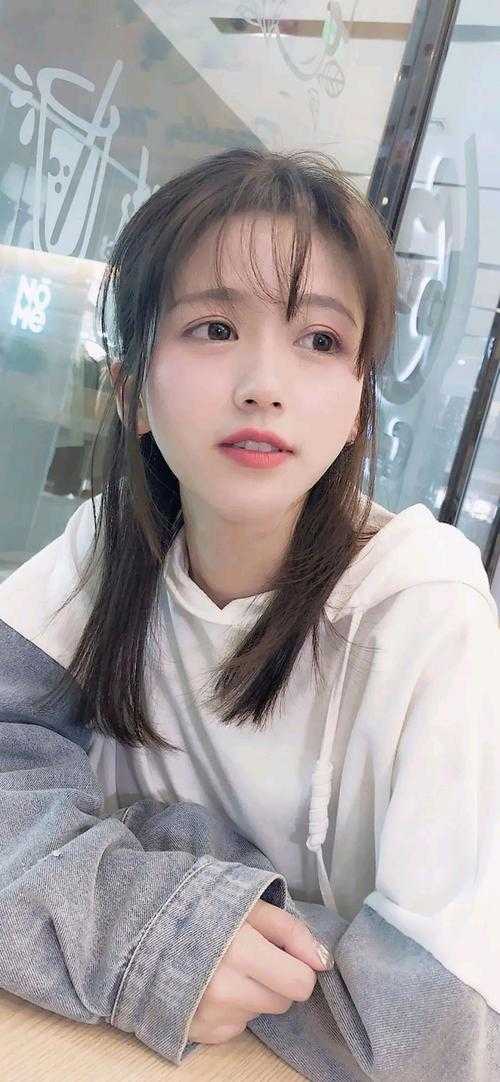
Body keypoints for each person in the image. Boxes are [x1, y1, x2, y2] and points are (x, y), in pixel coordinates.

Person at [0, 147, 498, 1080]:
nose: (265, 383)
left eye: (321, 341)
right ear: (132, 391)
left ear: (358, 409)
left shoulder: (424, 607)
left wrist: (151, 856)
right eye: (215, 327)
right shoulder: (110, 546)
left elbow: (430, 1028)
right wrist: (156, 919)